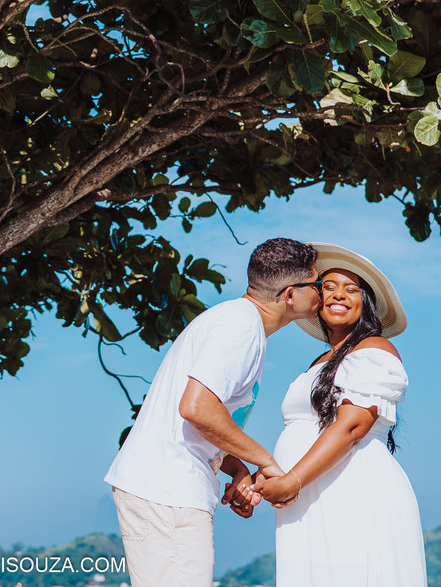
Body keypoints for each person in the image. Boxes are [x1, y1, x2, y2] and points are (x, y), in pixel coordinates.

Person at [104, 238, 323, 587]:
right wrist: (265, 462)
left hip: (164, 486)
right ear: (290, 294)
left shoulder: (236, 322)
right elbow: (196, 409)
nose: (322, 293)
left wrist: (235, 467)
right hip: (168, 489)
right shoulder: (240, 328)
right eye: (317, 285)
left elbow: (202, 419)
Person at [254, 243, 427, 587]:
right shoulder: (318, 365)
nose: (338, 295)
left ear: (365, 302)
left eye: (351, 289)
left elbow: (351, 426)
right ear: (316, 299)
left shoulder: (374, 350)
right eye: (328, 287)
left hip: (353, 490)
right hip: (309, 494)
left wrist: (291, 481)